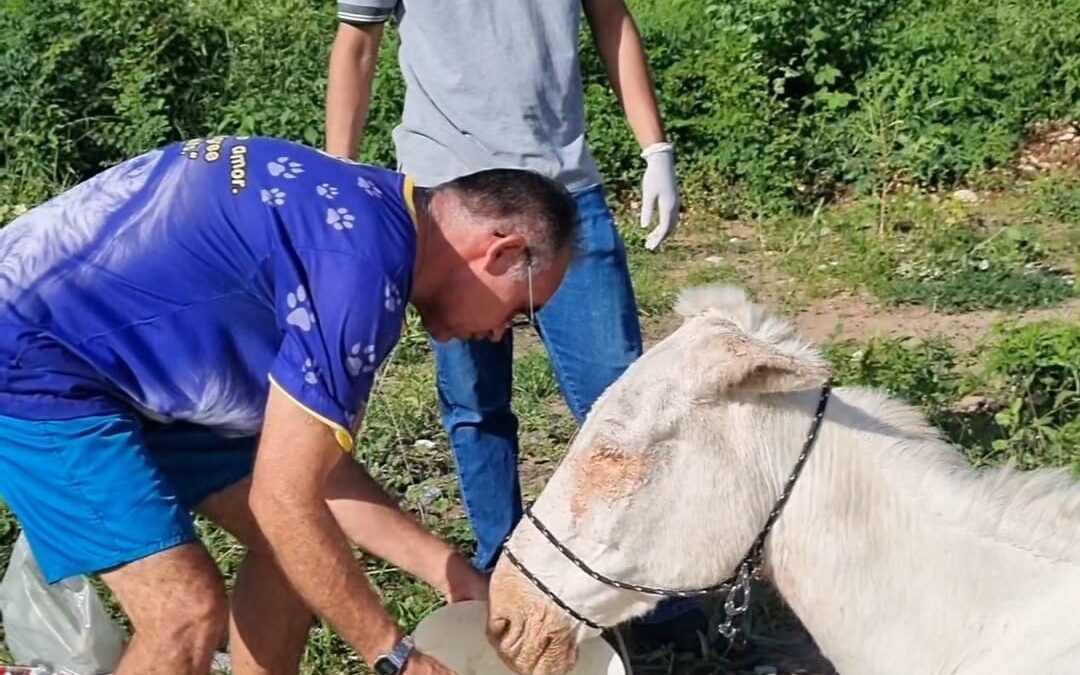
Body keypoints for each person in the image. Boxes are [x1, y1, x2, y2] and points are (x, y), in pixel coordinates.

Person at [0, 134, 579, 675]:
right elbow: (285, 501)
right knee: (182, 610)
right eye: (520, 311)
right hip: (32, 355)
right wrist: (395, 653)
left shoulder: (373, 213)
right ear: (501, 252)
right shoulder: (360, 275)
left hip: (121, 353)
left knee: (294, 555)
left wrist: (452, 575)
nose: (503, 332)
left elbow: (307, 478)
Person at [325, 0, 706, 647]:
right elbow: (356, 43)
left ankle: (650, 587)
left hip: (564, 193)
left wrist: (655, 146)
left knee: (623, 402)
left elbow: (610, 18)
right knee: (475, 405)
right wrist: (338, 182)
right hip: (452, 198)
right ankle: (501, 570)